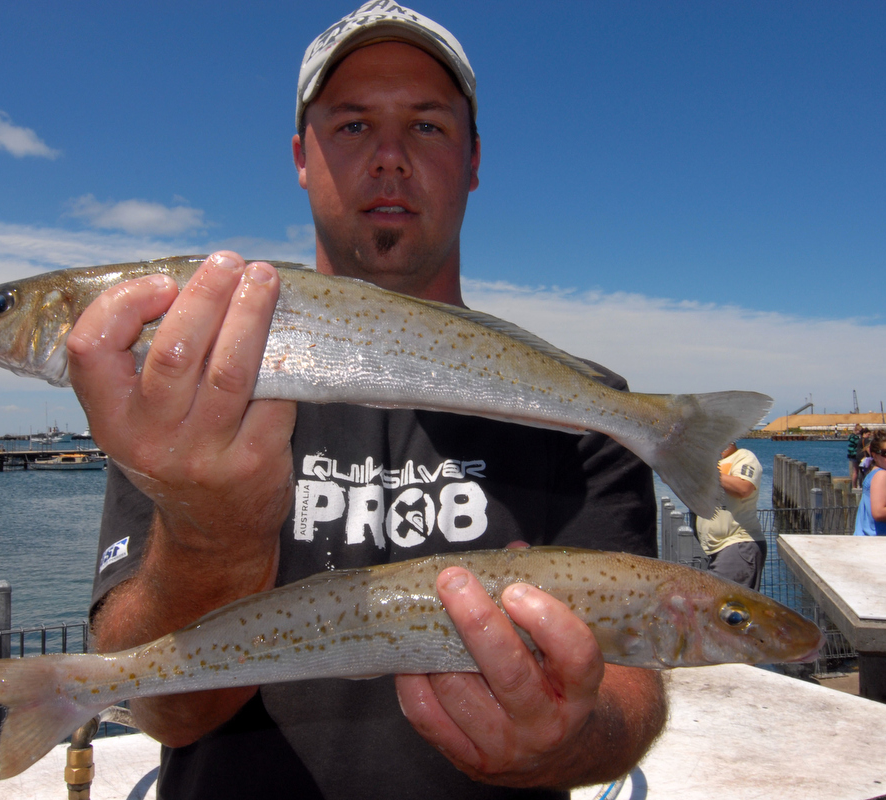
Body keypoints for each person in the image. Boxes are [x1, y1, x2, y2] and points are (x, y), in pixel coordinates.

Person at [69, 5, 667, 798]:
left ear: (476, 158)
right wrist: (213, 533)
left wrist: (569, 735)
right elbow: (165, 712)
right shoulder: (193, 389)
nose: (389, 158)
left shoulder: (591, 410)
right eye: (351, 127)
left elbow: (631, 687)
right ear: (301, 159)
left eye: (426, 127)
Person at [695, 442, 765, 590]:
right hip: (715, 549)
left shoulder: (743, 457)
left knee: (717, 600)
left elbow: (743, 487)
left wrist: (707, 473)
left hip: (738, 543)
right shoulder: (711, 464)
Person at [847, 424, 863, 488]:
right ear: (856, 430)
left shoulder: (851, 436)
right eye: (860, 431)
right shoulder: (854, 437)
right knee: (856, 471)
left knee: (855, 471)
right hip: (854, 455)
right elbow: (859, 443)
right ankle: (855, 486)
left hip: (852, 455)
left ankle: (855, 485)